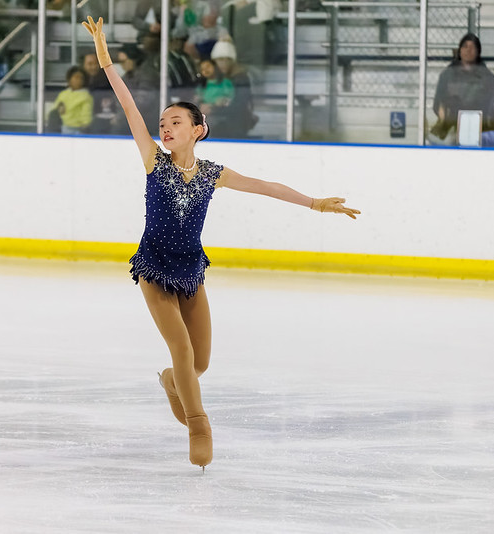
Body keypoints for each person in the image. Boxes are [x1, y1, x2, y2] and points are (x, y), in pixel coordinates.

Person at [82, 15, 359, 470]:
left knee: (198, 365)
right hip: (154, 269)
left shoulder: (214, 173)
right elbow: (131, 109)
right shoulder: (154, 160)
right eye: (163, 122)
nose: (165, 127)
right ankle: (199, 424)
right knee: (184, 350)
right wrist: (107, 60)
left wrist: (314, 203)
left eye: (175, 122)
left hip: (191, 271)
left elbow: (265, 186)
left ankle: (172, 382)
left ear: (197, 129)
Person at [430, 33, 494, 140]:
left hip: (478, 126)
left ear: (478, 51)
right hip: (451, 124)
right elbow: (438, 104)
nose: (468, 50)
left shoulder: (487, 77)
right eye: (465, 46)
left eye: (472, 47)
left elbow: (492, 107)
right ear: (460, 50)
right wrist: (445, 117)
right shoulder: (447, 74)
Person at [208, 38, 257, 138]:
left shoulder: (241, 79)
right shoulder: (220, 77)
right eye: (220, 60)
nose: (223, 63)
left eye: (227, 60)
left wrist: (214, 108)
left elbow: (239, 105)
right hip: (221, 125)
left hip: (236, 127)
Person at [49, 65, 93, 135]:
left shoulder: (86, 96)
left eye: (81, 78)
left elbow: (86, 115)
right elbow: (56, 110)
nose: (78, 80)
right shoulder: (63, 94)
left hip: (78, 129)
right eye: (76, 77)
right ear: (70, 79)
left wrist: (84, 126)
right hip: (62, 127)